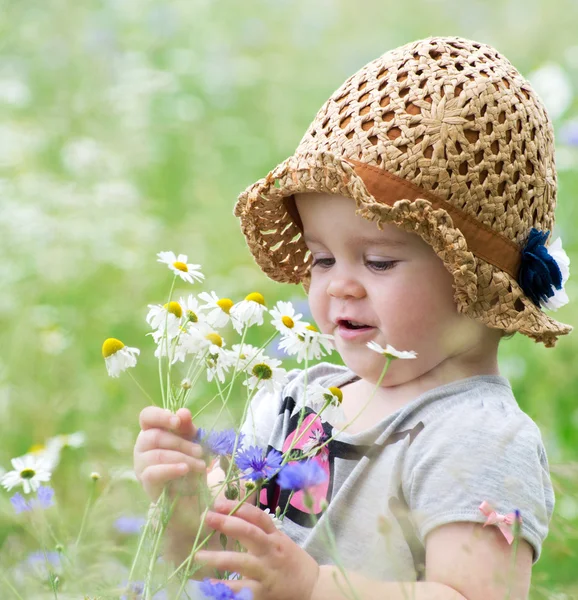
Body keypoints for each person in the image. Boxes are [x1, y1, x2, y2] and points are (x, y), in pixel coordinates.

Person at [133, 35, 572, 600]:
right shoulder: (300, 402)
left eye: (379, 260)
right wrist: (186, 505)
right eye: (321, 258)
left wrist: (316, 586)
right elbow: (227, 568)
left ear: (474, 283)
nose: (338, 283)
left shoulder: (480, 440)